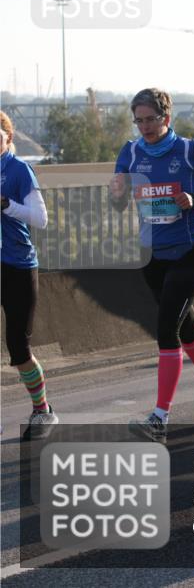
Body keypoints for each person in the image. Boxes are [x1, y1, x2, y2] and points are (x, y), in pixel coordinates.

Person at [109, 88, 194, 442]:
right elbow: (118, 202)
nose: (145, 127)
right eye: (139, 121)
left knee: (166, 329)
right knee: (186, 329)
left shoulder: (189, 150)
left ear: (166, 117)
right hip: (152, 255)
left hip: (190, 250)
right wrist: (116, 193)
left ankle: (160, 418)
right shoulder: (130, 152)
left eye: (151, 119)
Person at [1, 110, 58, 440]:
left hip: (18, 266)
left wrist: (6, 204)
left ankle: (43, 410)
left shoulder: (19, 169)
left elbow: (40, 219)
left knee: (18, 347)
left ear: (8, 137)